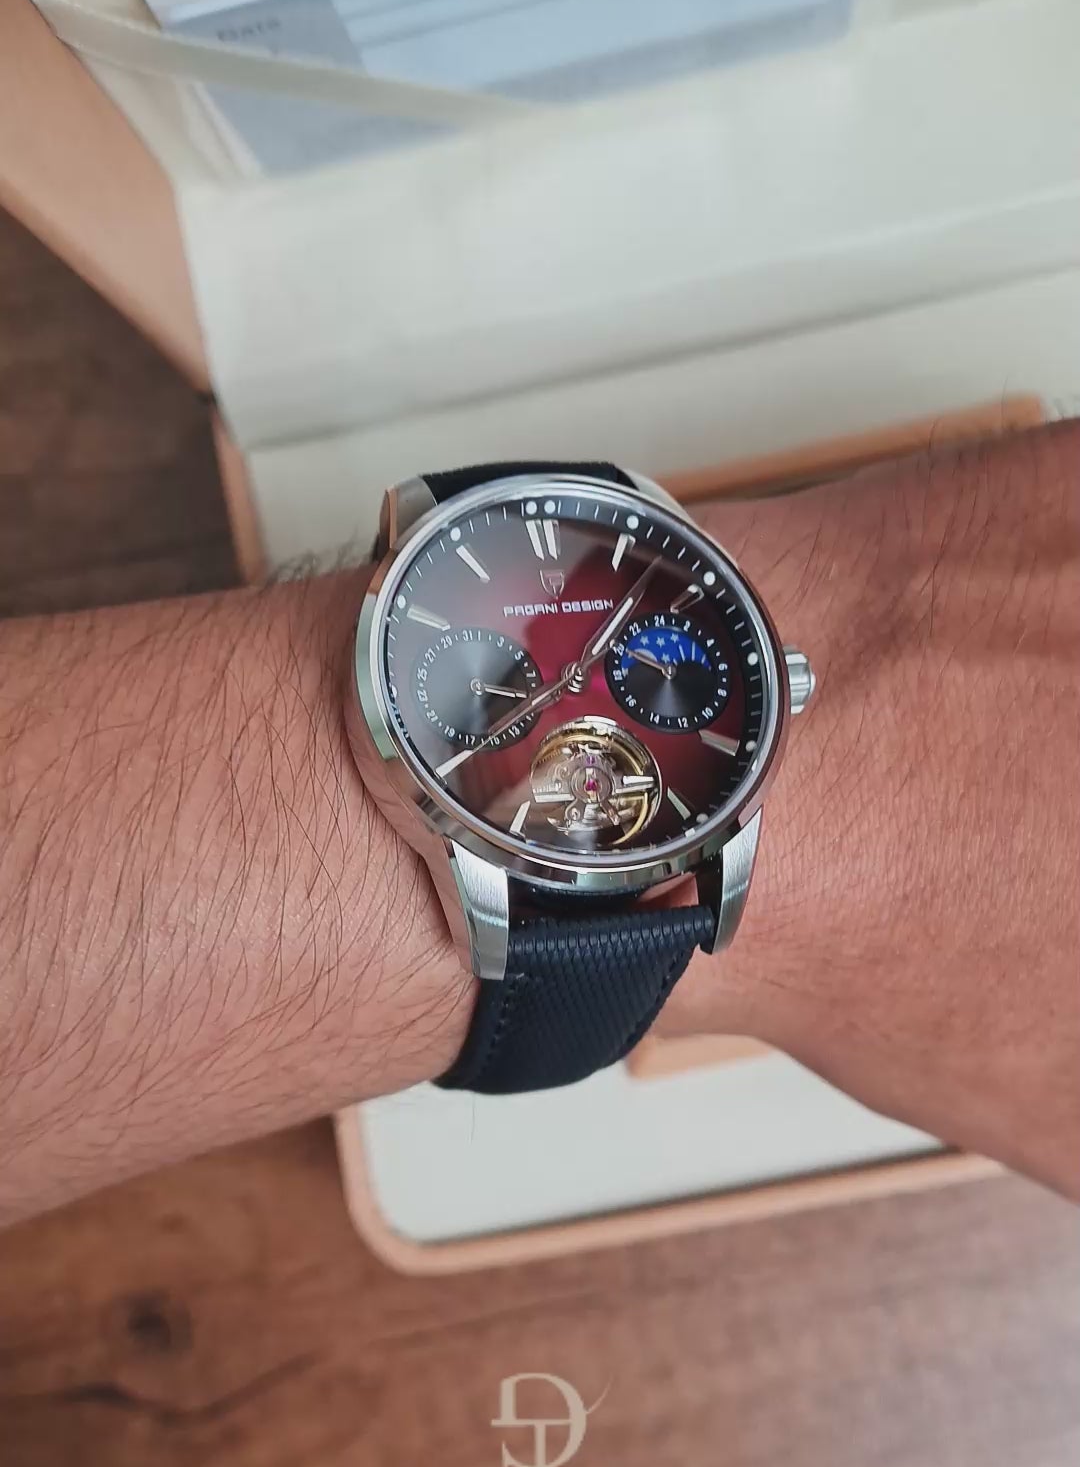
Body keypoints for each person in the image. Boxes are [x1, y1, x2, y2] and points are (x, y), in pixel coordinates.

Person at [0, 420, 1077, 1227]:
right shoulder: (420, 701)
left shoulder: (727, 727)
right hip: (500, 832)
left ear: (781, 681)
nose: (567, 692)